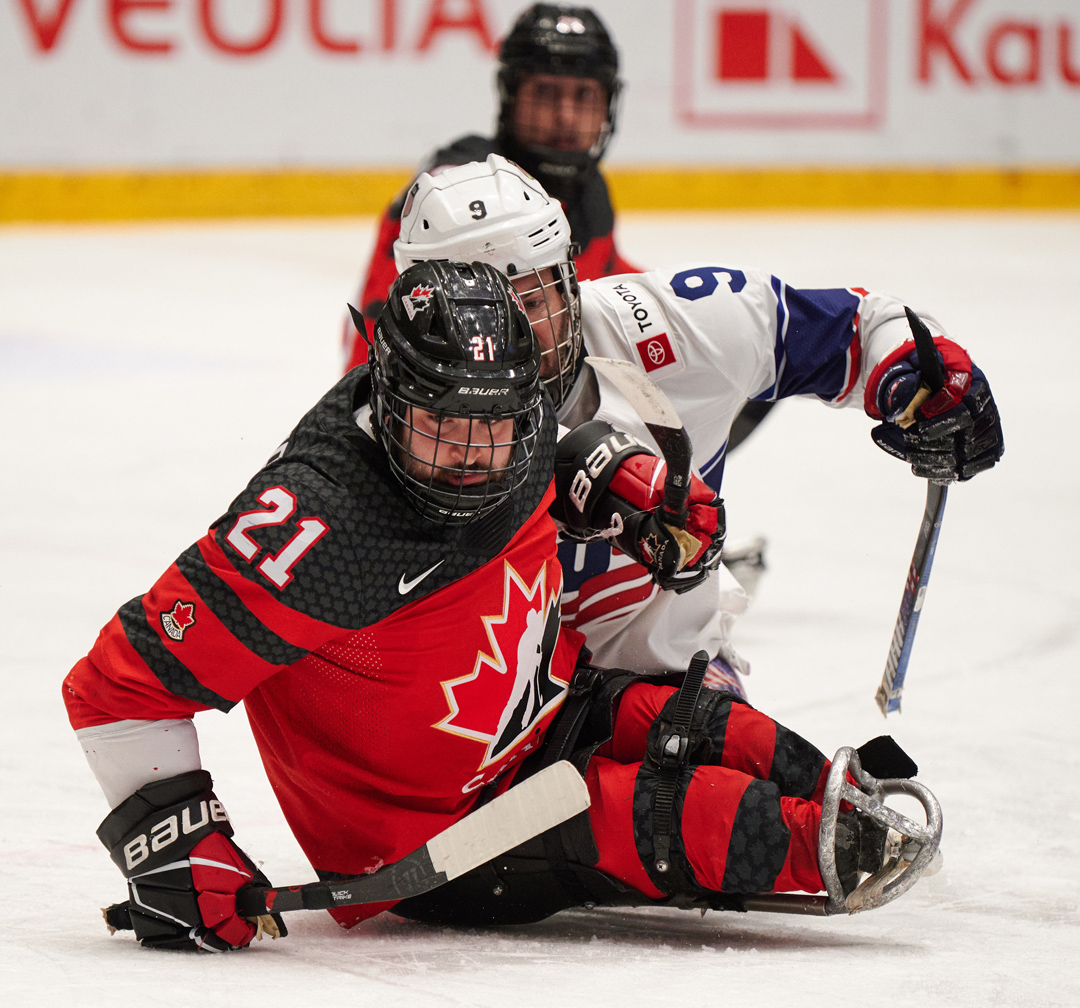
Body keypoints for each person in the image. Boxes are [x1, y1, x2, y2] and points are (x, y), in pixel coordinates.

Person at [65, 263, 935, 951]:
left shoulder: (495, 418)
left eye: (499, 425)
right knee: (681, 814)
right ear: (388, 392)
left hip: (542, 711)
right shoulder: (316, 527)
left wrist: (616, 478)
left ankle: (843, 803)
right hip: (433, 833)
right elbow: (117, 686)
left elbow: (524, 439)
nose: (476, 458)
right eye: (444, 427)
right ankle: (831, 841)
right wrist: (173, 846)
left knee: (722, 730)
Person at [390, 154, 1006, 695]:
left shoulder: (667, 328)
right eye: (483, 315)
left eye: (535, 299)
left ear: (569, 278)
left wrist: (914, 379)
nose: (525, 335)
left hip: (669, 696)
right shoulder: (385, 426)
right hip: (483, 733)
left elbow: (857, 326)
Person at [343, 3, 637, 369]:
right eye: (546, 93)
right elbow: (385, 325)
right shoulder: (457, 189)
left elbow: (605, 278)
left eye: (584, 96)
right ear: (511, 95)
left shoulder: (591, 192)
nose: (566, 116)